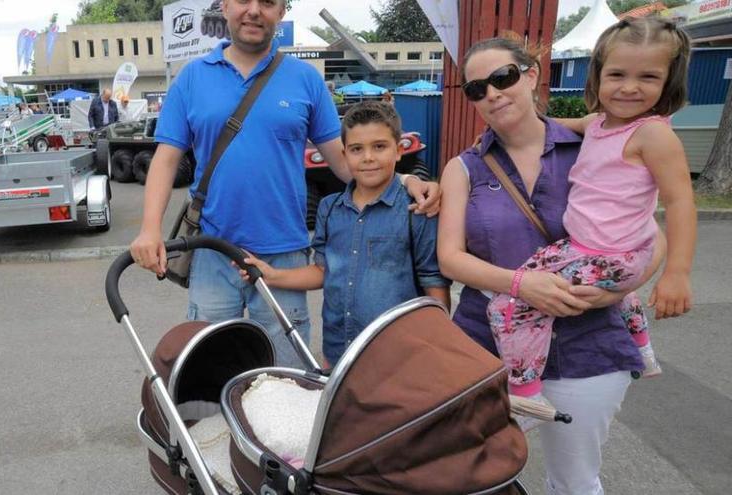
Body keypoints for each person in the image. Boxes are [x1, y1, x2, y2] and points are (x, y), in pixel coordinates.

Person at [129, 0, 440, 368]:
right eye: (243, 0)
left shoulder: (304, 79)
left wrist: (403, 179)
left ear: (281, 12)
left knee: (288, 373)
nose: (254, 11)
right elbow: (166, 160)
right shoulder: (192, 78)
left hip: (286, 252)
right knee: (211, 368)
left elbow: (346, 161)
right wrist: (149, 229)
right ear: (224, 6)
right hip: (213, 252)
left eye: (268, 2)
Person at [437, 32, 672, 494]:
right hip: (490, 346)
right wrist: (522, 284)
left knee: (574, 480)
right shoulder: (463, 168)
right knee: (463, 472)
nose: (492, 94)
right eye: (477, 88)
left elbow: (651, 234)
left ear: (531, 75)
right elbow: (450, 258)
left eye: (502, 77)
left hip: (588, 343)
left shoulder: (594, 146)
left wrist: (621, 288)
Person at [484, 17, 695, 411]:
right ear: (597, 76)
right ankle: (641, 345)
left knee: (508, 305)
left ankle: (525, 397)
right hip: (587, 246)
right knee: (532, 273)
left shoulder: (653, 135)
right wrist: (515, 128)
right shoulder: (599, 123)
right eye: (617, 74)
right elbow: (556, 126)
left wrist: (677, 273)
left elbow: (681, 202)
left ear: (669, 82)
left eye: (648, 77)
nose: (630, 87)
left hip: (606, 255)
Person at [238, 101, 451, 366]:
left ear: (398, 151)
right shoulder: (330, 209)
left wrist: (438, 348)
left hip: (400, 357)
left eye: (379, 146)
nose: (368, 157)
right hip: (339, 352)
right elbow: (324, 271)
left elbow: (435, 286)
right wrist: (272, 275)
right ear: (345, 154)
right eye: (357, 149)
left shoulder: (415, 210)